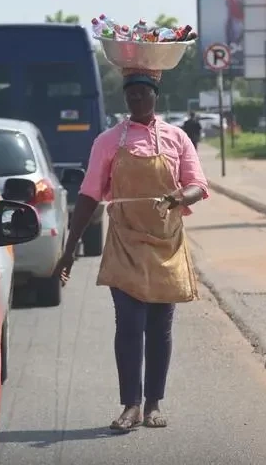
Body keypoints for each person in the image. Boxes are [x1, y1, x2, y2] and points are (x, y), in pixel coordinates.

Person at [54, 68, 208, 433]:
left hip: (165, 242)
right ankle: (131, 405)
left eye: (144, 94)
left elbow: (198, 185)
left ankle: (154, 404)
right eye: (131, 96)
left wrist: (178, 196)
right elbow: (89, 195)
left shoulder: (177, 138)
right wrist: (68, 250)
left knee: (159, 326)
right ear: (125, 99)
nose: (137, 101)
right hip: (124, 240)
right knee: (129, 324)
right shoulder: (107, 141)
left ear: (156, 96)